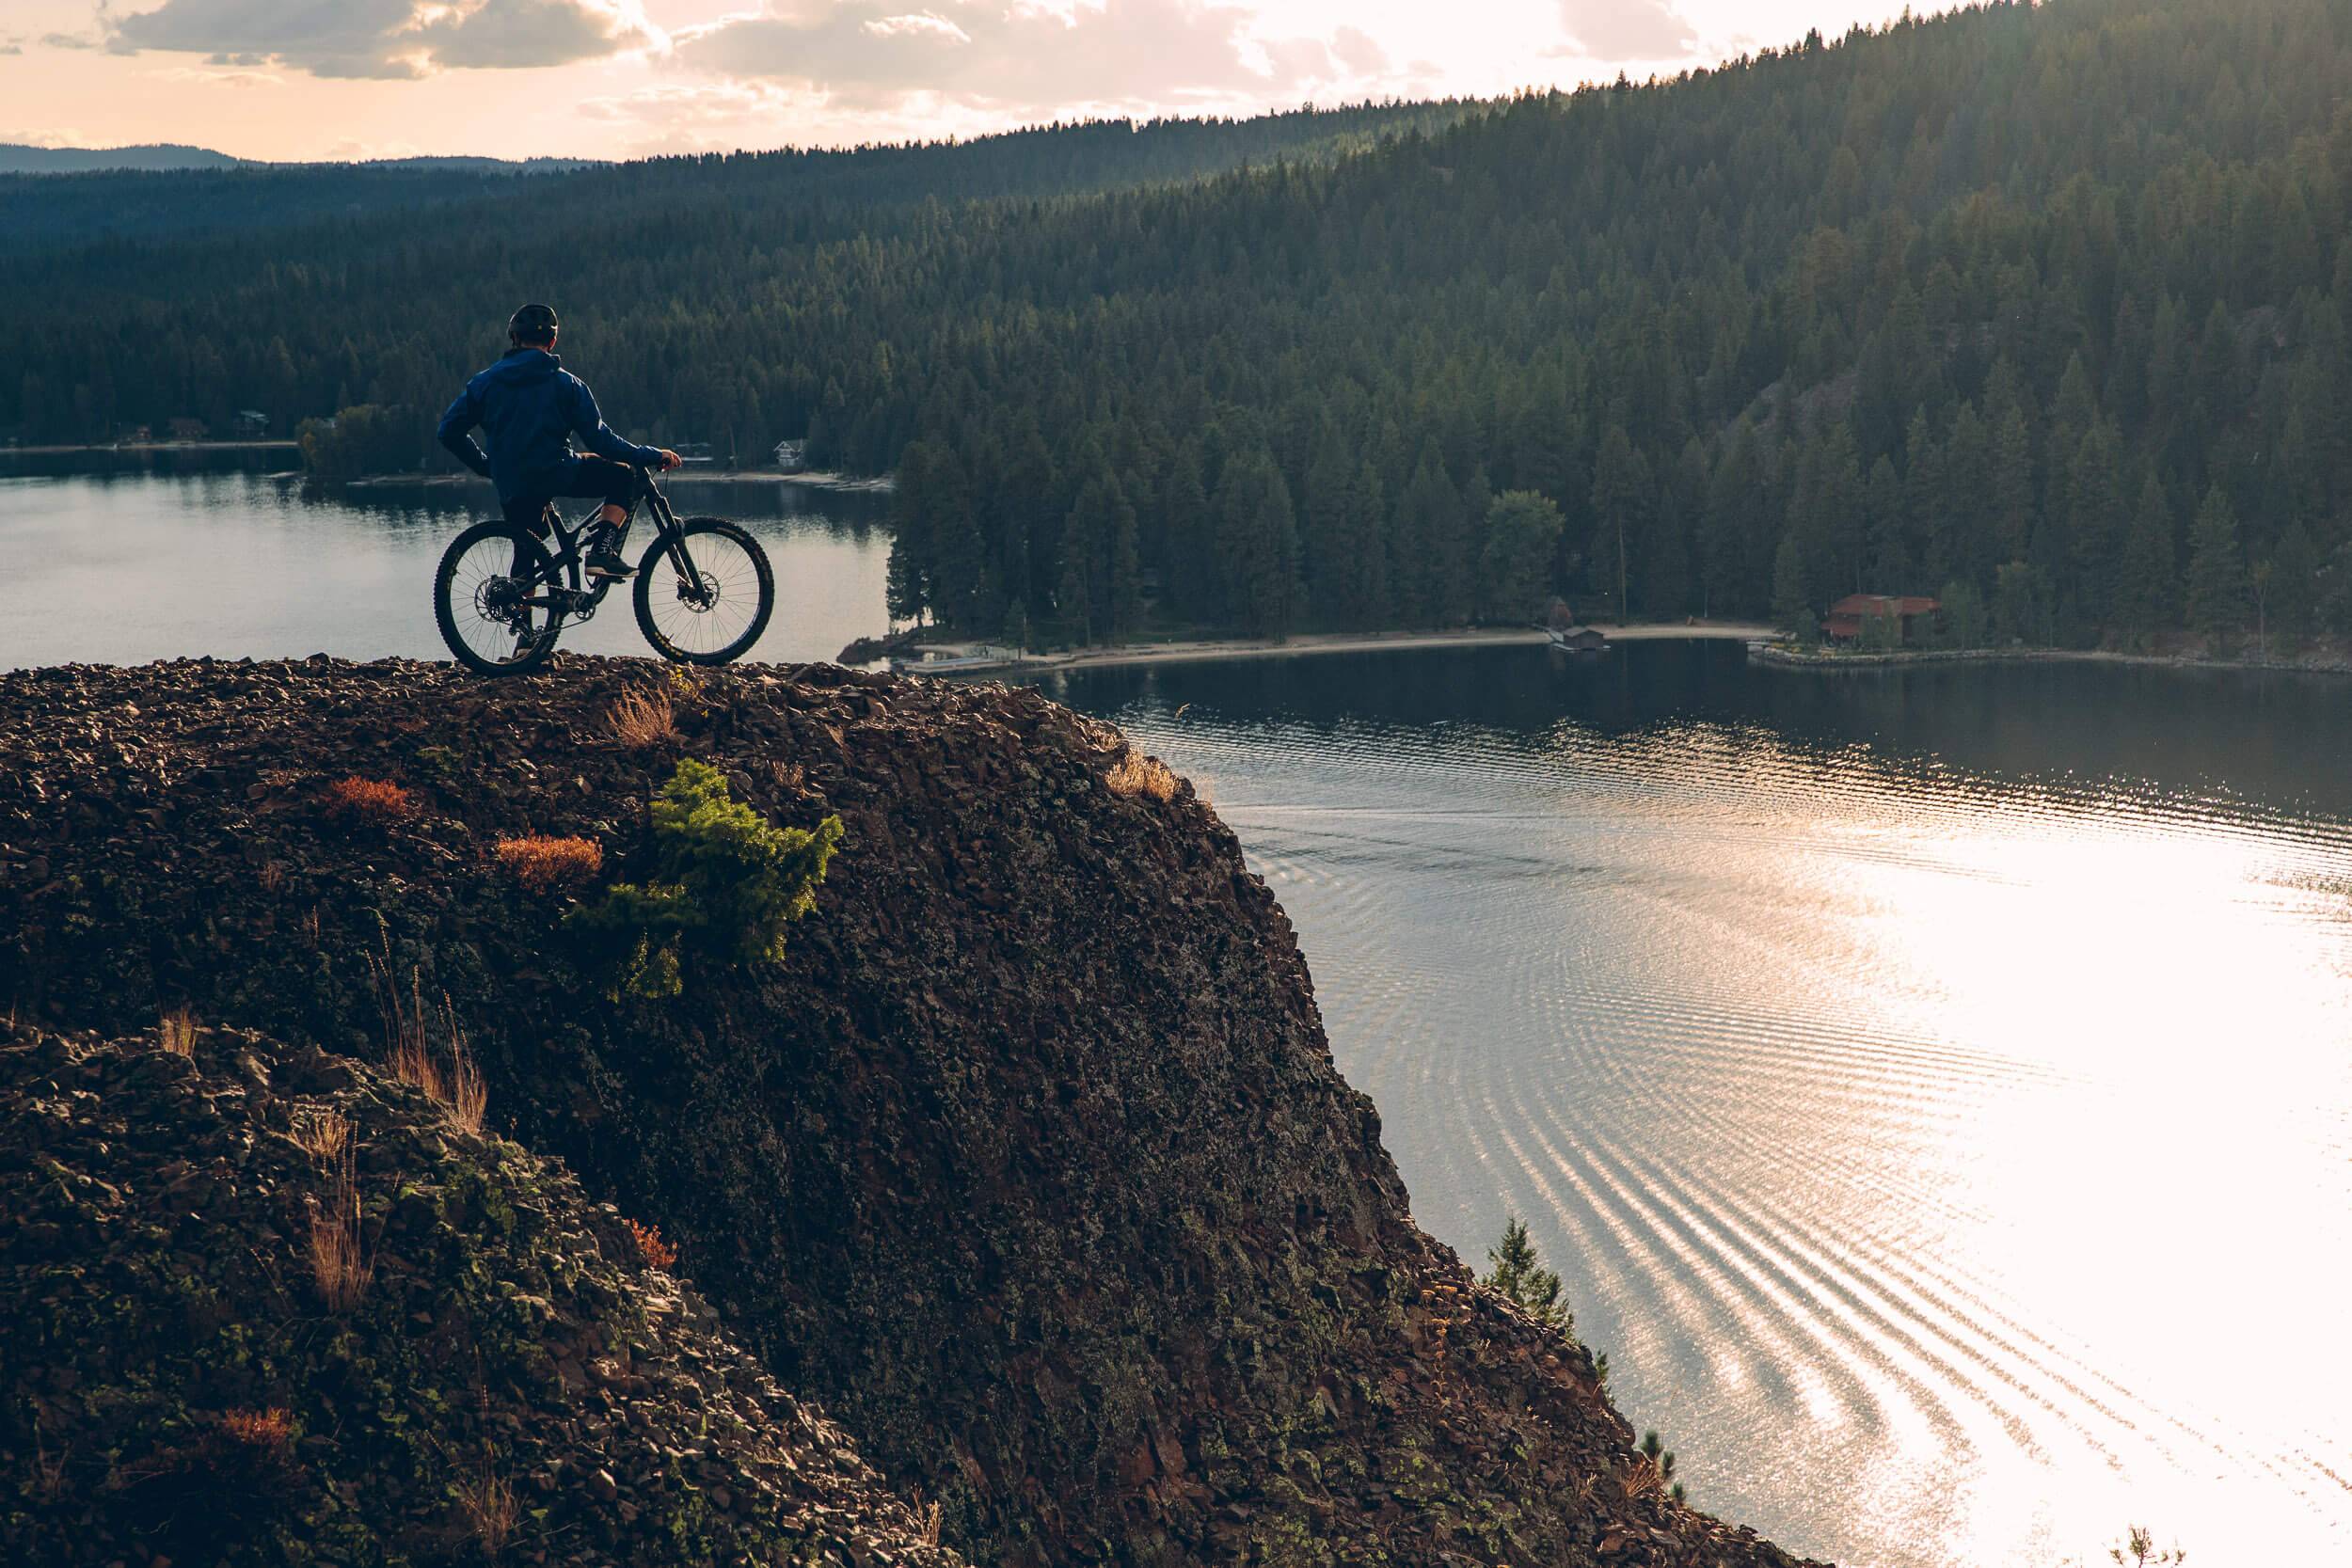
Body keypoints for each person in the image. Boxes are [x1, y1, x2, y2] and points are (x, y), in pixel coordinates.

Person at [437, 303, 679, 580]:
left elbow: (448, 431)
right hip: (556, 472)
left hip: (511, 480)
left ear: (514, 339)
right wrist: (649, 454)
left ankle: (520, 621)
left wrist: (485, 466)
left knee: (526, 553)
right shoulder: (568, 385)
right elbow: (601, 441)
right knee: (623, 476)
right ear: (552, 342)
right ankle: (601, 552)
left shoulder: (483, 383)